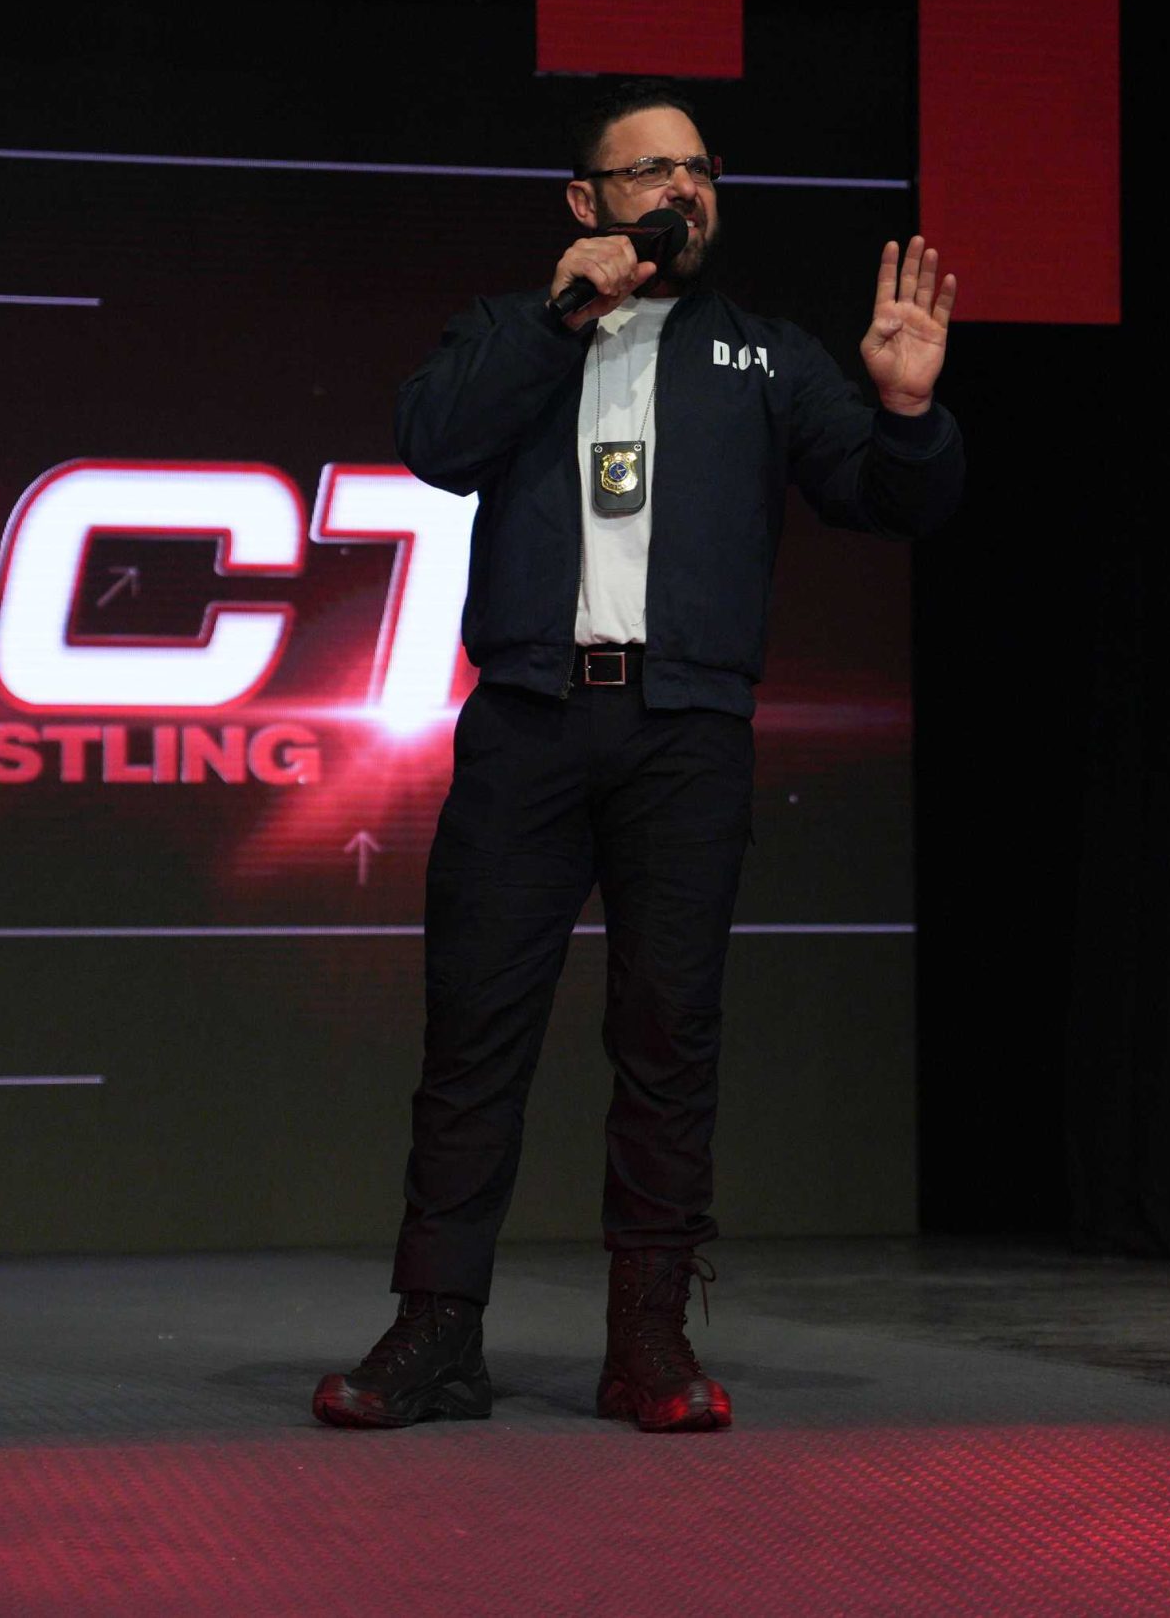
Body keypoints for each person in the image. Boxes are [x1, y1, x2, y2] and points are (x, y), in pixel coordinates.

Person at [312, 78, 965, 1433]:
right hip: (528, 724)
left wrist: (906, 412)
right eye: (651, 171)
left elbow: (885, 498)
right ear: (587, 201)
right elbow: (435, 442)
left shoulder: (766, 358)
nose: (683, 191)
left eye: (700, 170)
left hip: (686, 735)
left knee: (670, 1041)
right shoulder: (513, 329)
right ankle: (437, 1332)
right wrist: (565, 312)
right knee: (475, 1038)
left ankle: (649, 1342)